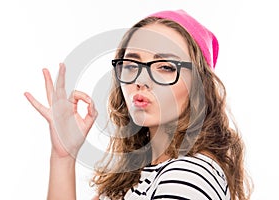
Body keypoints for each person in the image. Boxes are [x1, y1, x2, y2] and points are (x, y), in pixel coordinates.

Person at [24, 9, 251, 200]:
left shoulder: (187, 175)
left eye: (165, 67)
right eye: (131, 64)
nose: (141, 81)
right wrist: (64, 156)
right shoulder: (134, 175)